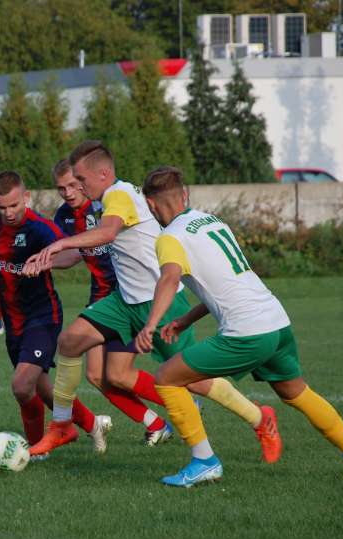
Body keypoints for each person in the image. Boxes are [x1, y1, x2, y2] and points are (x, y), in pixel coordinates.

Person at [26, 142, 280, 463]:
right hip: (124, 300)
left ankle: (260, 418)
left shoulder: (117, 196)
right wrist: (49, 260)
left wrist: (59, 242)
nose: (77, 185)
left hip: (157, 301)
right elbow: (95, 246)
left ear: (103, 174)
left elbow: (106, 234)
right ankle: (62, 424)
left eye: (80, 178)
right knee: (71, 341)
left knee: (196, 381)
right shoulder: (103, 200)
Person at [133, 166, 343, 486]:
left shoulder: (170, 237)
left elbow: (169, 278)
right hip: (276, 322)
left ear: (151, 205)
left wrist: (150, 324)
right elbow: (226, 283)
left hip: (247, 332)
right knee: (296, 392)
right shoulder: (212, 222)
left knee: (166, 377)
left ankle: (204, 461)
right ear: (185, 194)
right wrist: (184, 320)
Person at [0, 170, 110, 455]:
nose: (8, 213)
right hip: (13, 319)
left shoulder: (39, 228)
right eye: (2, 207)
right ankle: (91, 424)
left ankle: (35, 450)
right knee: (42, 389)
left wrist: (47, 262)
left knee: (22, 386)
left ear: (26, 197)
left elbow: (73, 254)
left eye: (14, 205)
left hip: (43, 316)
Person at [51, 159, 169, 445]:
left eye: (73, 184)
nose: (68, 192)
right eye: (61, 188)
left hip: (126, 296)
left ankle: (181, 405)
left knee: (119, 374)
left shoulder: (105, 204)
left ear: (84, 180)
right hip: (101, 295)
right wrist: (43, 261)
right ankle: (156, 423)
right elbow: (74, 256)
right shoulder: (65, 217)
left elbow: (113, 235)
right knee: (97, 375)